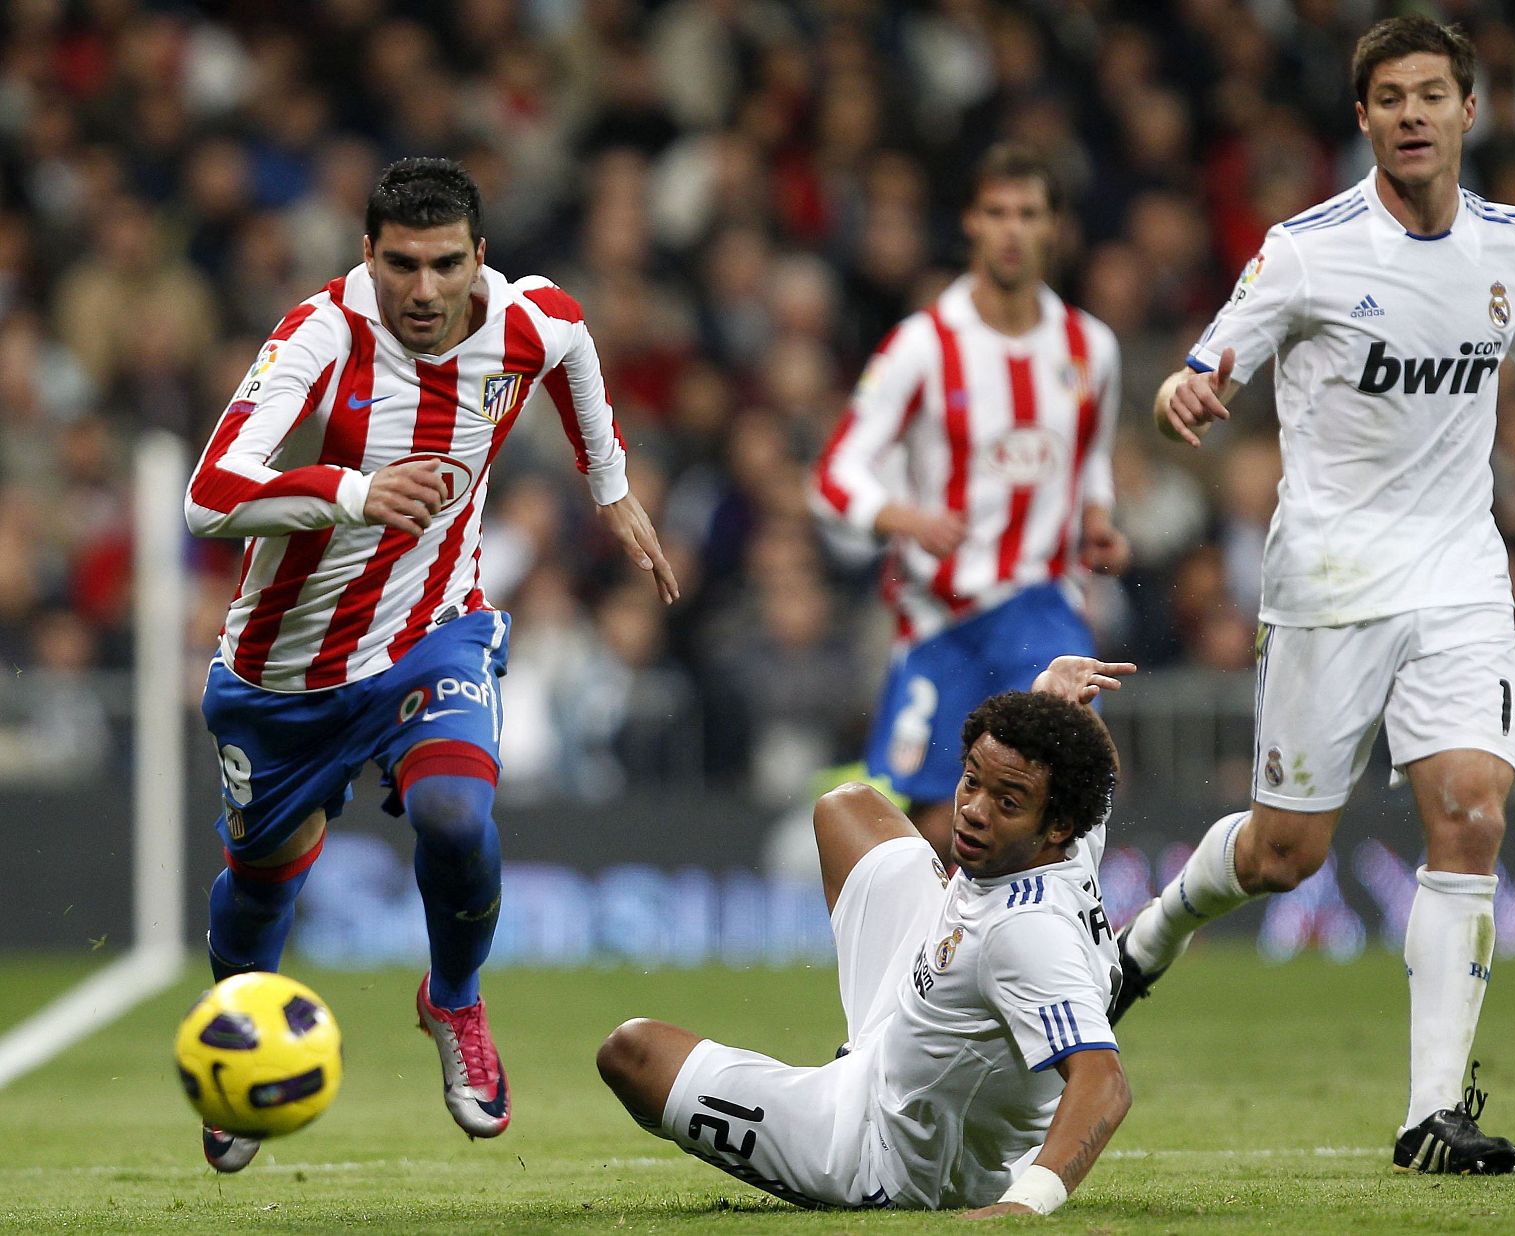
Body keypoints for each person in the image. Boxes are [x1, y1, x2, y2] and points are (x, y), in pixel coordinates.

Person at [1118, 16, 1515, 1176]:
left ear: (1470, 111)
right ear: (1364, 119)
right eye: (1391, 99)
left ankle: (1430, 1116)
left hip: (1459, 571)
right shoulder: (1305, 250)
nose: (1415, 115)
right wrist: (1190, 392)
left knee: (1473, 807)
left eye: (1434, 94)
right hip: (1330, 577)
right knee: (1286, 853)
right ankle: (1141, 938)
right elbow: (1204, 365)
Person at [184, 157, 678, 1171]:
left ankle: (451, 1001)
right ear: (367, 256)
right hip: (284, 673)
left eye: (444, 264)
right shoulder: (321, 335)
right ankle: (237, 1039)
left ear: (477, 258)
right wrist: (358, 494)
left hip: (431, 635)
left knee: (457, 816)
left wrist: (610, 487)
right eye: (400, 263)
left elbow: (575, 348)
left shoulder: (526, 321)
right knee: (264, 881)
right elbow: (208, 492)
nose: (422, 289)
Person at [597, 654, 1136, 1216]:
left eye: (1006, 803)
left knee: (631, 1054)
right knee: (846, 808)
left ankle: (819, 1151)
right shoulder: (1070, 832)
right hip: (911, 1016)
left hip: (892, 1157)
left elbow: (1104, 1082)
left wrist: (1029, 1202)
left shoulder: (1025, 934)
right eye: (972, 781)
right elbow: (1091, 769)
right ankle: (865, 1050)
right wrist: (1056, 695)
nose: (973, 811)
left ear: (1055, 826)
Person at [811, 143, 1128, 865]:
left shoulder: (1091, 349)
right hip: (938, 619)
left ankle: (1056, 964)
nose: (1012, 229)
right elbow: (834, 474)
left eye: (1029, 213)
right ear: (971, 225)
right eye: (996, 212)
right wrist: (903, 517)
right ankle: (942, 972)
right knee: (931, 829)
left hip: (1040, 605)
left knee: (1055, 801)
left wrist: (1099, 522)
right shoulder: (923, 346)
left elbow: (1092, 458)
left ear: (1055, 228)